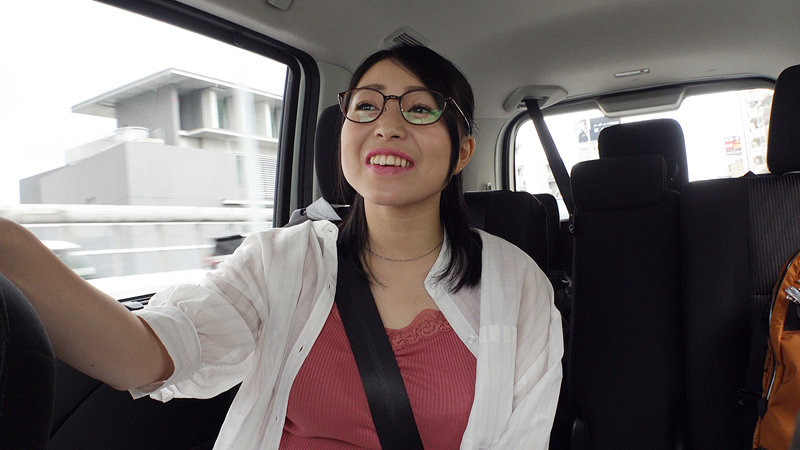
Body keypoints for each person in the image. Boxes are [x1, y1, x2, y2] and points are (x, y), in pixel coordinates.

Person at [0, 45, 562, 448]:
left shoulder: (516, 282)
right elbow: (153, 353)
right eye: (367, 106)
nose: (386, 126)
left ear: (461, 152)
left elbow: (523, 436)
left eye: (419, 108)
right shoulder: (280, 260)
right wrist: (11, 247)